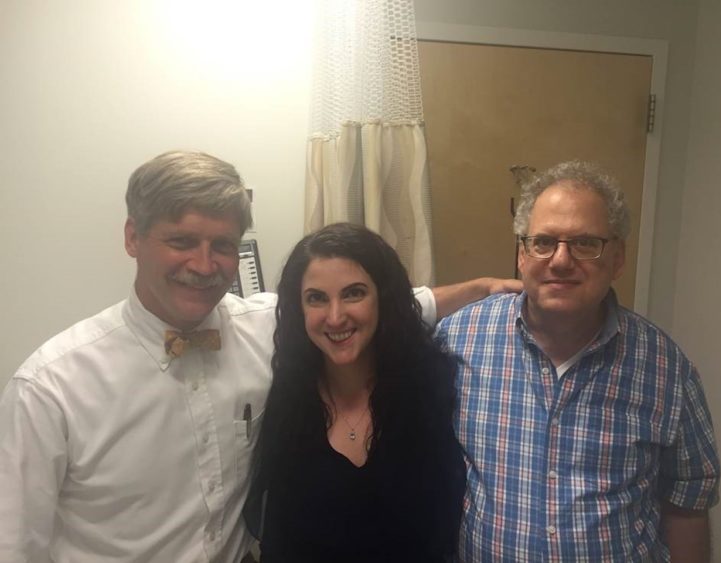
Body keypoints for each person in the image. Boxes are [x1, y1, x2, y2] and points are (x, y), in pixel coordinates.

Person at [0, 150, 519, 562]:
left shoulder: (267, 325)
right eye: (182, 240)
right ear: (133, 238)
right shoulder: (52, 387)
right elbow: (14, 544)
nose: (204, 265)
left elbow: (383, 308)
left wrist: (483, 287)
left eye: (222, 244)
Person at [437, 160, 721, 562]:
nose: (561, 260)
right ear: (522, 254)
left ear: (618, 258)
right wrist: (475, 287)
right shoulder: (460, 339)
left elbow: (688, 502)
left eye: (586, 243)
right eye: (543, 242)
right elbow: (376, 316)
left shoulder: (666, 368)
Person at [244, 223, 466, 562]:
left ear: (383, 298)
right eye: (316, 298)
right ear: (298, 309)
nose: (335, 317)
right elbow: (278, 540)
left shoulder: (435, 390)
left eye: (353, 293)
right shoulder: (286, 400)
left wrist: (483, 286)